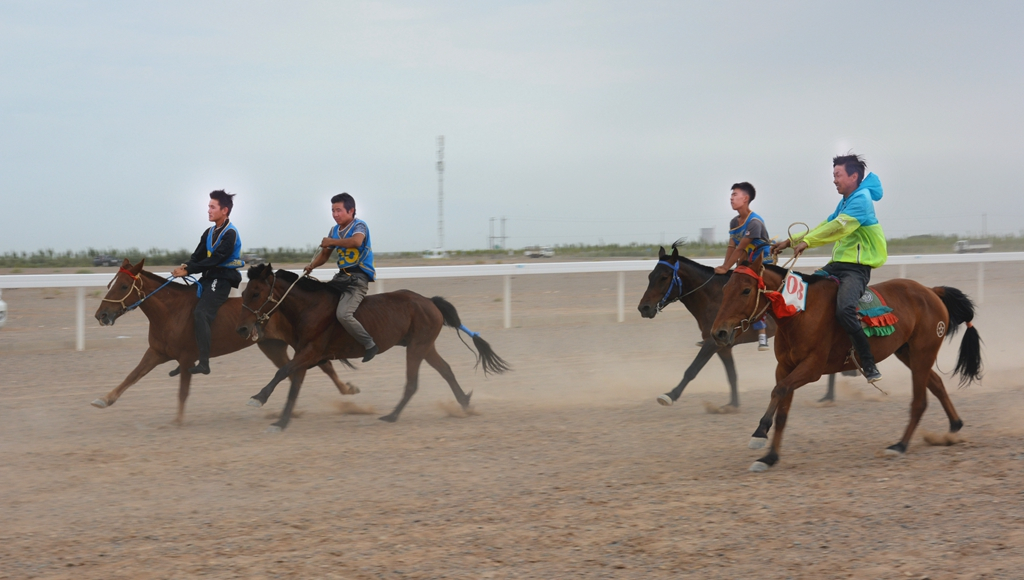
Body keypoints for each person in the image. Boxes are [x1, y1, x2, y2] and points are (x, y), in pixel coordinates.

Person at [773, 154, 886, 382]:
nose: (834, 180)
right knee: (804, 295)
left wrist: (807, 243)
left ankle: (867, 362)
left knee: (845, 309)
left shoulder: (862, 200)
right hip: (836, 266)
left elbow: (836, 228)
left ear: (854, 176)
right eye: (833, 175)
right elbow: (825, 224)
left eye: (838, 175)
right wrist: (791, 241)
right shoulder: (846, 200)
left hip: (856, 269)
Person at [171, 190, 245, 375]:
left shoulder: (230, 234)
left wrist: (188, 270)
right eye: (208, 207)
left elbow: (215, 260)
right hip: (209, 277)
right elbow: (197, 256)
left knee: (202, 313)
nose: (208, 210)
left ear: (225, 210)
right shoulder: (209, 232)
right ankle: (186, 358)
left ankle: (204, 362)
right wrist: (185, 266)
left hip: (222, 280)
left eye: (212, 207)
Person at [303, 193, 378, 362]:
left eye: (339, 210)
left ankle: (369, 344)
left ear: (351, 210)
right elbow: (324, 255)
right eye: (332, 211)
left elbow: (356, 242)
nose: (335, 214)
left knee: (344, 314)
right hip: (341, 277)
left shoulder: (360, 226)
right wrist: (312, 266)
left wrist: (332, 242)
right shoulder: (333, 231)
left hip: (358, 279)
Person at [714, 182, 772, 351]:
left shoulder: (754, 222)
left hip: (762, 262)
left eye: (735, 194)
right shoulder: (734, 222)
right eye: (731, 195)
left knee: (756, 293)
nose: (731, 198)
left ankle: (762, 335)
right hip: (745, 262)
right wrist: (726, 267)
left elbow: (740, 249)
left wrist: (726, 269)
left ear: (745, 199)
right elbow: (732, 246)